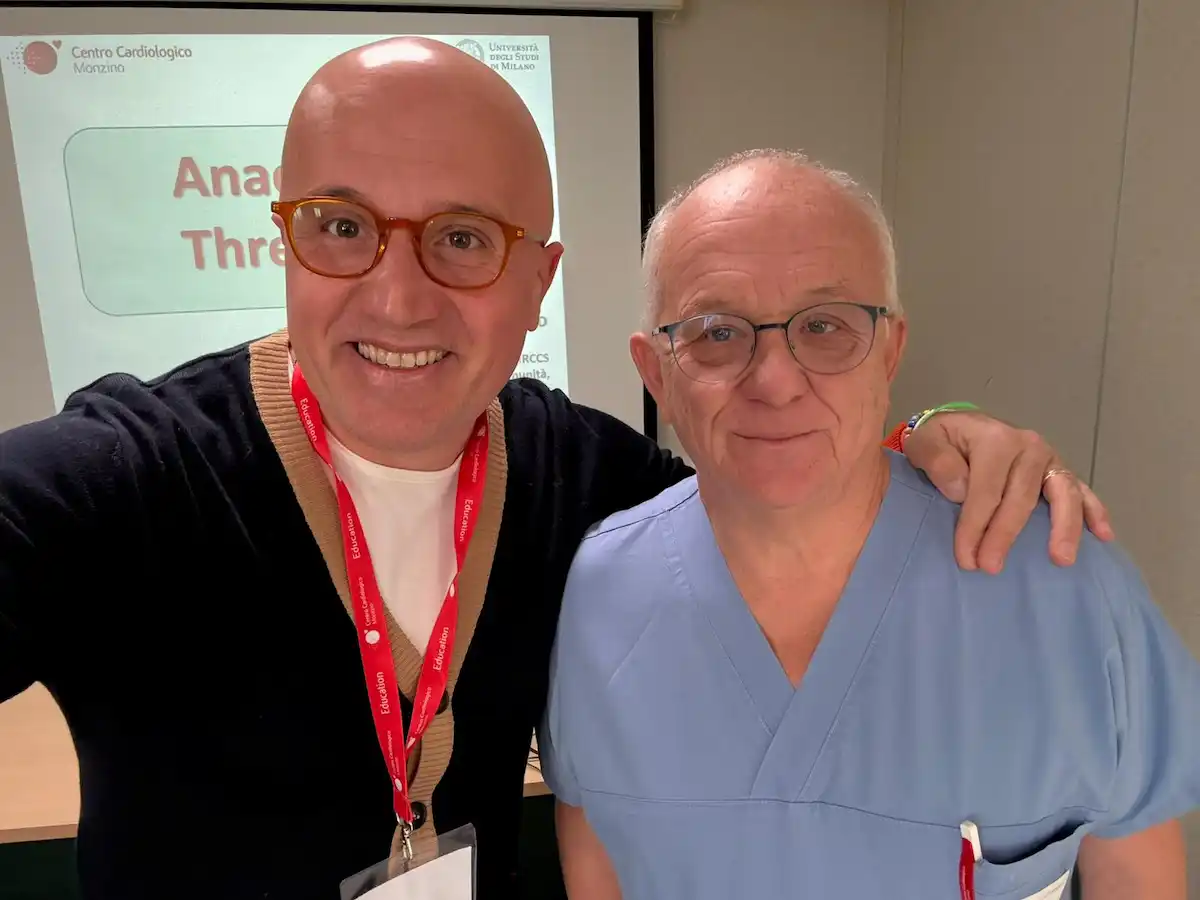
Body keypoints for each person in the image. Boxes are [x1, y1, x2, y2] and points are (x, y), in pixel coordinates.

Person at [0, 40, 1111, 900]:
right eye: (341, 227)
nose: (399, 297)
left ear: (540, 281)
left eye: (463, 239)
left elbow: (781, 505)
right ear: (283, 239)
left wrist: (934, 434)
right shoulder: (125, 481)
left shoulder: (577, 472)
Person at [541, 149, 1200, 900]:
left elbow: (1136, 869)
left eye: (825, 326)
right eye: (717, 333)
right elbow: (596, 843)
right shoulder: (604, 589)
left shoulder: (1062, 582)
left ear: (889, 351)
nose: (775, 382)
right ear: (655, 372)